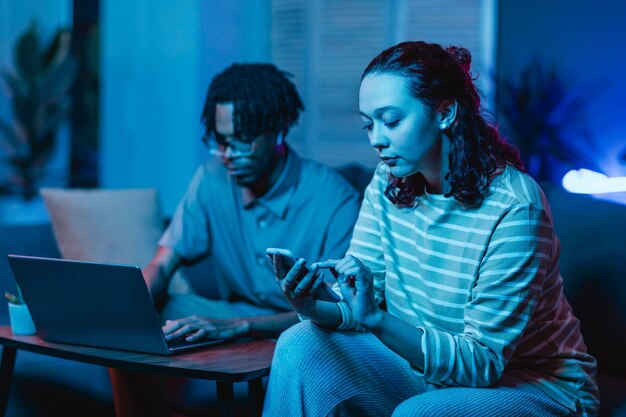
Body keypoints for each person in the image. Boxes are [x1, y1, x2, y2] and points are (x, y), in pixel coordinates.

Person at [263, 41, 599, 417]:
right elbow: (358, 305)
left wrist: (376, 318)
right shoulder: (387, 182)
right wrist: (315, 306)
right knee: (298, 345)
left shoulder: (515, 206)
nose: (376, 139)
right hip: (423, 368)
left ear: (444, 113)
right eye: (368, 124)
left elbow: (482, 364)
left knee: (419, 413)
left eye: (391, 121)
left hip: (534, 386)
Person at [110, 63, 361, 417]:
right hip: (232, 314)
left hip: (303, 328)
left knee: (310, 338)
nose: (229, 154)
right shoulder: (211, 179)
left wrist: (236, 327)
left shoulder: (335, 199)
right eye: (221, 141)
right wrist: (127, 313)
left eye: (243, 139)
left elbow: (339, 313)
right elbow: (163, 263)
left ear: (280, 129)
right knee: (139, 328)